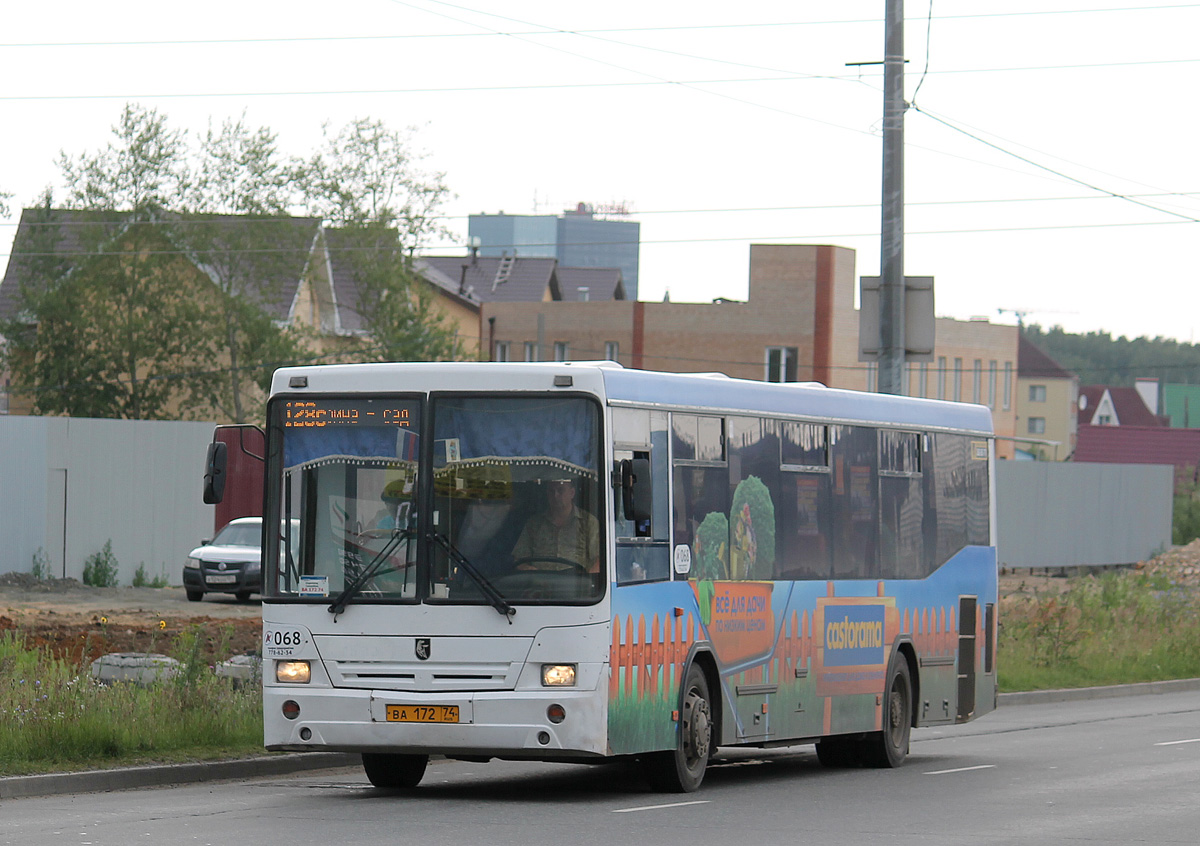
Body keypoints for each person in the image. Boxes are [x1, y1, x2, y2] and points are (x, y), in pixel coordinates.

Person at [511, 477, 600, 573]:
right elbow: (519, 559)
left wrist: (587, 582)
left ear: (572, 493)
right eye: (551, 491)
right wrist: (531, 572)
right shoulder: (534, 523)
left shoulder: (588, 522)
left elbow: (600, 560)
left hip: (575, 583)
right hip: (540, 582)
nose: (555, 495)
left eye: (560, 490)